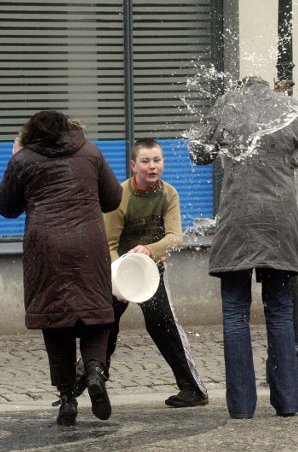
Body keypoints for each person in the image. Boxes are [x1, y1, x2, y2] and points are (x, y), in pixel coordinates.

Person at [188, 76, 298, 419]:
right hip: (279, 221)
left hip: (237, 218)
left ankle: (241, 407)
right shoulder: (287, 109)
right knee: (280, 311)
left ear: (238, 88)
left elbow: (198, 152)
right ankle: (287, 402)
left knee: (235, 313)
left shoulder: (228, 107)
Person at [0, 111, 122, 425]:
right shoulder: (90, 152)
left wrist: (15, 158)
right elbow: (114, 198)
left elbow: (5, 207)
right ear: (68, 128)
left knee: (56, 320)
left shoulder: (24, 160)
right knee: (97, 313)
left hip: (46, 250)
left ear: (29, 134)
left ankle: (67, 399)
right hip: (88, 246)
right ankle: (93, 371)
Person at [88, 137, 209, 408]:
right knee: (106, 325)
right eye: (145, 161)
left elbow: (175, 237)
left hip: (150, 272)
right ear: (133, 165)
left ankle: (192, 389)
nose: (152, 166)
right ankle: (92, 381)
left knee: (164, 323)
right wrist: (119, 281)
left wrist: (149, 249)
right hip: (117, 272)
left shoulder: (168, 194)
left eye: (157, 160)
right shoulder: (120, 196)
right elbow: (108, 244)